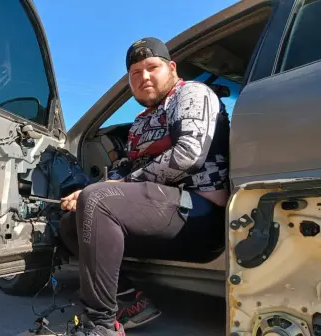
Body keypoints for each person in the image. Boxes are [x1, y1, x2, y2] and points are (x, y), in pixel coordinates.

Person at [59, 37, 230, 336]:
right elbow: (126, 168)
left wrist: (106, 191)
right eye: (135, 73)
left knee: (97, 200)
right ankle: (129, 303)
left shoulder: (191, 94)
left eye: (152, 67)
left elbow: (188, 155)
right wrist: (87, 192)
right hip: (160, 210)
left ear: (172, 68)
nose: (144, 77)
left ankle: (100, 325)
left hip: (199, 213)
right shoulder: (140, 122)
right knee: (70, 221)